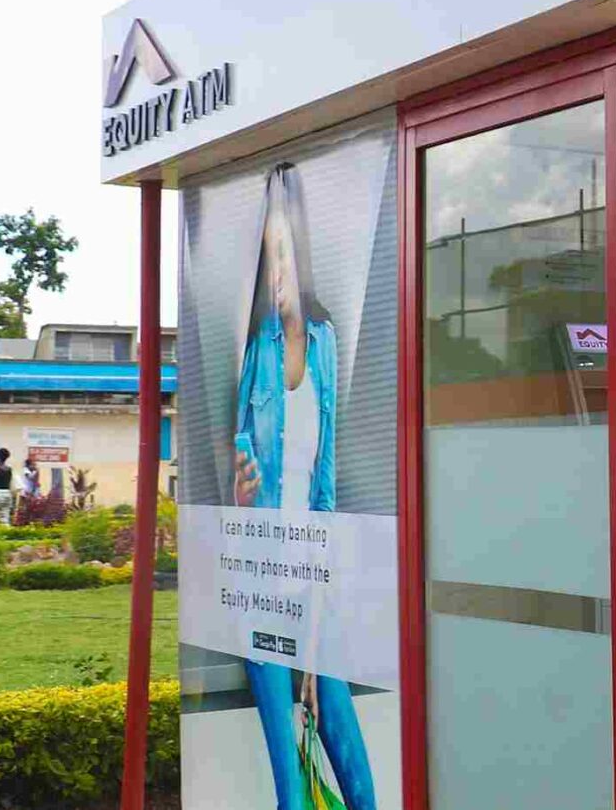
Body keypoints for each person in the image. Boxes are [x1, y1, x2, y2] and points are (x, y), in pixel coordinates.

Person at [233, 163, 376, 810]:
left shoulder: (324, 343)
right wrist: (242, 483)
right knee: (291, 795)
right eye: (271, 254)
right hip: (260, 582)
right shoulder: (255, 350)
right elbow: (240, 452)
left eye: (287, 250)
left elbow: (324, 493)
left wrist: (315, 643)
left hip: (309, 583)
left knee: (356, 775)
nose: (280, 268)